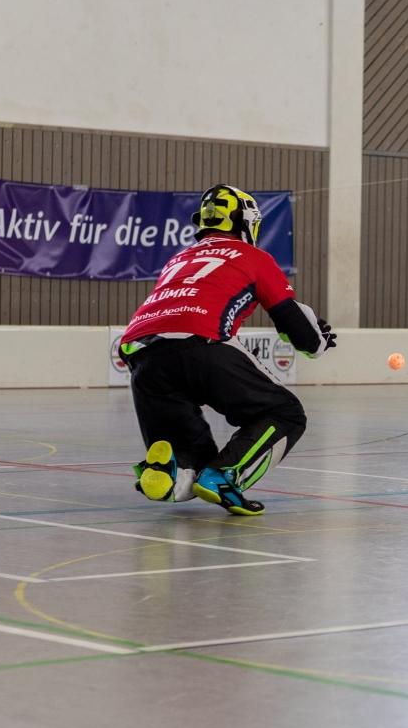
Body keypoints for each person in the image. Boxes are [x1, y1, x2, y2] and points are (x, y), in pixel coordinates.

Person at [119, 185, 336, 514]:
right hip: (201, 341)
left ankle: (173, 469)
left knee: (195, 455)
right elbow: (298, 329)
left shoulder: (179, 259)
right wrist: (317, 340)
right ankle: (225, 475)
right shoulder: (255, 258)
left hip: (141, 354)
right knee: (285, 414)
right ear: (246, 222)